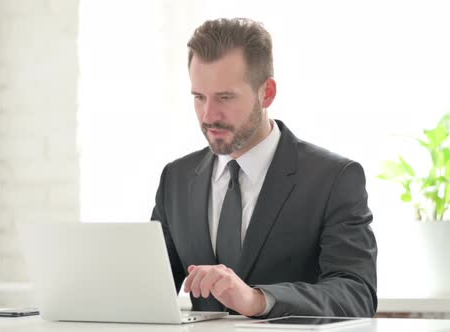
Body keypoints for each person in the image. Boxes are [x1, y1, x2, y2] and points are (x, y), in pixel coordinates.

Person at [150, 18, 377, 318]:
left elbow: (356, 294)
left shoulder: (333, 178)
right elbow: (150, 289)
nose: (208, 115)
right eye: (199, 97)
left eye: (225, 97)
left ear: (267, 93)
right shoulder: (175, 179)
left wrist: (259, 300)